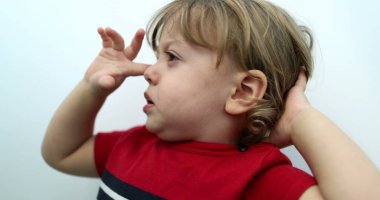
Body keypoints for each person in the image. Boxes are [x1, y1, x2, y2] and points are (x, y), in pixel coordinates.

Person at [41, 0, 380, 199]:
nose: (148, 72)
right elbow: (61, 154)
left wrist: (300, 118)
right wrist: (92, 88)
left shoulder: (258, 178)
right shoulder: (133, 145)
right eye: (156, 57)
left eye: (171, 57)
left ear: (242, 91)